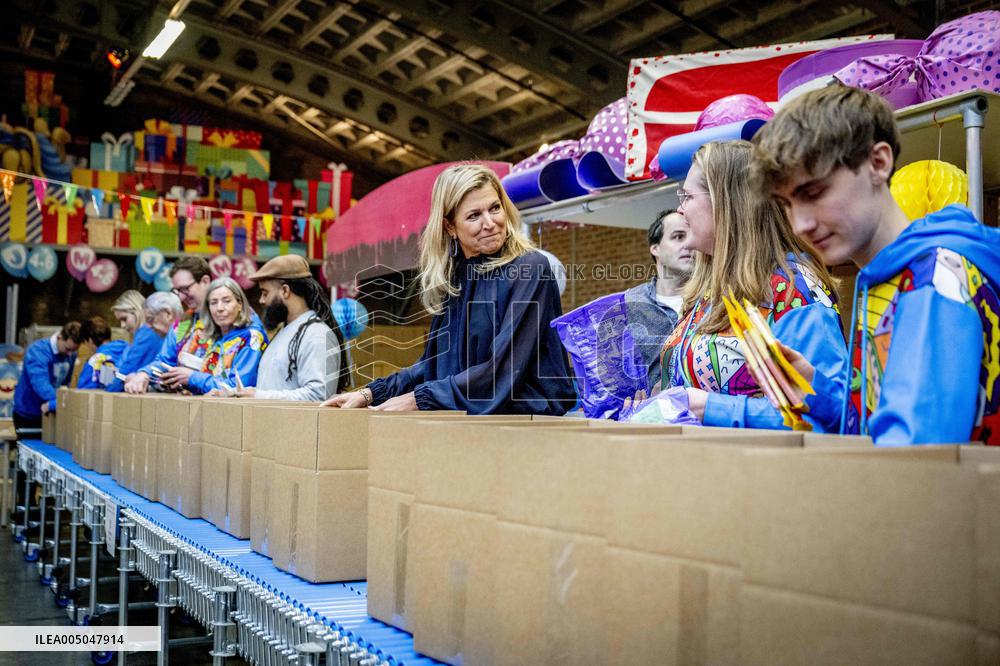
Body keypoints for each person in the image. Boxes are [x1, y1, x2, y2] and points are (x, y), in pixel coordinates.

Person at [752, 84, 1000, 445]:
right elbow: (878, 429)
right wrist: (817, 391)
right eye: (787, 204)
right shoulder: (886, 276)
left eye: (814, 193)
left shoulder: (934, 278)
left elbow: (910, 460)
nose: (799, 225)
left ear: (878, 163)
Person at [323, 163, 577, 414]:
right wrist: (371, 393)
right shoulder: (455, 280)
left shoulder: (530, 268)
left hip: (529, 425)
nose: (489, 223)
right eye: (474, 215)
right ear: (450, 227)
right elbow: (434, 365)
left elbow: (503, 369)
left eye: (495, 208)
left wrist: (418, 399)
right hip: (475, 423)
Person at [653, 140, 848, 432]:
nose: (679, 210)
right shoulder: (706, 291)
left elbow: (830, 416)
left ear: (727, 201)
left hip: (765, 471)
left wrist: (708, 407)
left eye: (687, 196)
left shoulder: (793, 286)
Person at [230, 254, 347, 400]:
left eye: (265, 293)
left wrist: (259, 396)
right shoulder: (288, 330)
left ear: (285, 291)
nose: (261, 300)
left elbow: (318, 396)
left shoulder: (317, 334)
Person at [156, 277, 268, 395]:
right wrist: (182, 382)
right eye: (214, 303)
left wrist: (192, 377)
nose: (219, 308)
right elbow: (212, 384)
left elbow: (237, 388)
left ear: (240, 304)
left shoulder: (252, 337)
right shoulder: (215, 338)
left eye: (226, 301)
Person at [623, 209, 693, 389]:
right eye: (678, 237)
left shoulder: (714, 302)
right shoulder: (629, 304)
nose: (689, 244)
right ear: (656, 248)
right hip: (645, 414)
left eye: (692, 236)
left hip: (703, 412)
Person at [125, 256, 212, 394]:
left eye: (185, 289)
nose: (181, 297)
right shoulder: (184, 322)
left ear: (205, 281)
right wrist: (144, 374)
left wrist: (193, 377)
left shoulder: (228, 322)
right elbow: (165, 360)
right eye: (177, 291)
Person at [12, 322, 84, 433]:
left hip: (51, 409)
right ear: (60, 337)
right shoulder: (38, 351)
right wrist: (59, 401)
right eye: (68, 349)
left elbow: (66, 382)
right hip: (28, 412)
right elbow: (40, 384)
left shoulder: (70, 354)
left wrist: (57, 403)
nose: (70, 354)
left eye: (74, 350)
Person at [106, 291, 183, 393]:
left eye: (124, 319)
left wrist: (142, 374)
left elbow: (126, 372)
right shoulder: (153, 332)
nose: (122, 326)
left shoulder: (147, 333)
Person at [76, 316, 128, 389]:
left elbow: (83, 391)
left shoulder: (96, 360)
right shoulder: (129, 350)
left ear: (90, 340)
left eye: (85, 343)